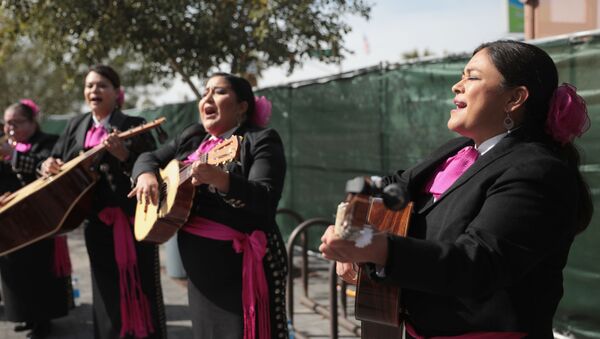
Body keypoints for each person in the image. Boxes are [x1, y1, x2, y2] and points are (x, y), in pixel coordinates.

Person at [319, 40, 593, 338]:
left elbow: (478, 263)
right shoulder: (457, 151)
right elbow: (389, 188)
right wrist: (348, 222)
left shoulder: (539, 170)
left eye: (472, 77)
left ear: (515, 98)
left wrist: (379, 249)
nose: (456, 86)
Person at [130, 73, 289, 339]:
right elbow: (149, 157)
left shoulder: (260, 140)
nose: (208, 98)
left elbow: (266, 199)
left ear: (242, 106)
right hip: (199, 267)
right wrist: (145, 174)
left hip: (240, 269)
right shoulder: (193, 136)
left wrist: (222, 180)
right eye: (205, 92)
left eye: (219, 92)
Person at [41, 65, 166, 339]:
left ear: (116, 92)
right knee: (105, 289)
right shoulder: (76, 125)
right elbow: (56, 159)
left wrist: (124, 157)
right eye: (89, 86)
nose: (93, 91)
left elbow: (153, 169)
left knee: (142, 284)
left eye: (101, 85)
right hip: (95, 223)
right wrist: (48, 164)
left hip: (134, 223)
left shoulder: (133, 125)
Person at [0, 99, 72, 339]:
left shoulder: (47, 143)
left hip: (40, 219)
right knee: (15, 271)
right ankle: (25, 315)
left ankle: (43, 319)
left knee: (38, 272)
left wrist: (15, 156)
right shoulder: (4, 147)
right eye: (6, 123)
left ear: (32, 123)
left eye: (16, 123)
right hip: (11, 220)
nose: (10, 128)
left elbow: (45, 167)